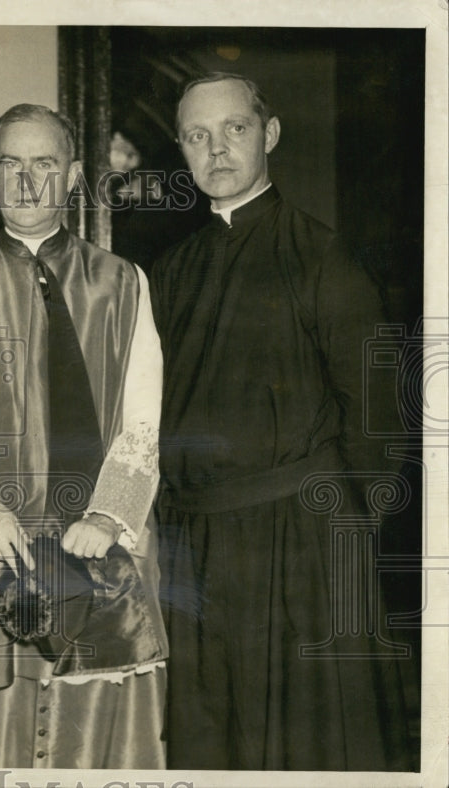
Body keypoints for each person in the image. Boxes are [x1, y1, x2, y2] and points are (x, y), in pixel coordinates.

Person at [150, 73, 414, 770]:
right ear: (181, 149)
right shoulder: (170, 272)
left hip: (301, 546)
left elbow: (377, 418)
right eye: (197, 136)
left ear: (268, 135)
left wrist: (342, 540)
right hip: (196, 547)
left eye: (234, 129)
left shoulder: (323, 256)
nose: (217, 150)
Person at [0, 104, 167, 769]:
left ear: (74, 176)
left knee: (95, 733)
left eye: (45, 163)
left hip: (98, 543)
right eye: (12, 164)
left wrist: (109, 513)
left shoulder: (122, 283)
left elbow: (142, 419)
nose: (27, 180)